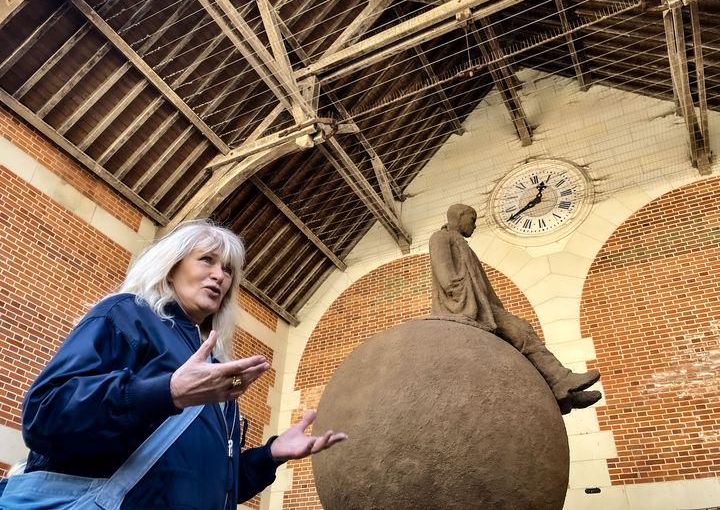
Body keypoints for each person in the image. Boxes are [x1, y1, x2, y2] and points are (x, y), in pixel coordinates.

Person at [0, 220, 346, 508]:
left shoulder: (213, 369)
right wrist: (167, 392)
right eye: (206, 260)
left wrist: (269, 455)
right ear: (172, 264)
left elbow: (202, 486)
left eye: (228, 270)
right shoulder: (127, 315)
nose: (220, 276)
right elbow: (47, 412)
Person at [428, 204, 602, 414]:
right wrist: (463, 298)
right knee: (521, 331)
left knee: (522, 331)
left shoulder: (462, 243)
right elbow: (445, 276)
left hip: (483, 306)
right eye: (472, 220)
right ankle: (561, 384)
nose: (474, 226)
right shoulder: (440, 238)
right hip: (464, 306)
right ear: (459, 216)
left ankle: (563, 390)